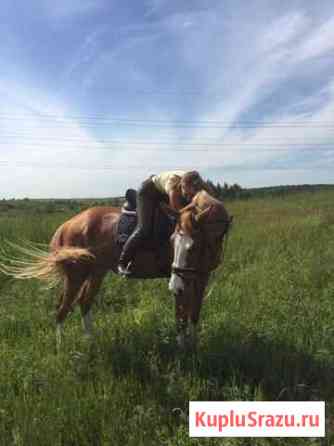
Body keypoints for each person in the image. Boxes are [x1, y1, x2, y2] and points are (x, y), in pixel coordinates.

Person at [118, 170, 206, 276]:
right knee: (144, 228)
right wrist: (191, 207)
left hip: (161, 193)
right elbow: (177, 213)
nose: (187, 196)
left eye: (190, 194)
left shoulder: (201, 186)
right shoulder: (173, 186)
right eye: (185, 193)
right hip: (148, 192)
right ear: (181, 185)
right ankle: (122, 262)